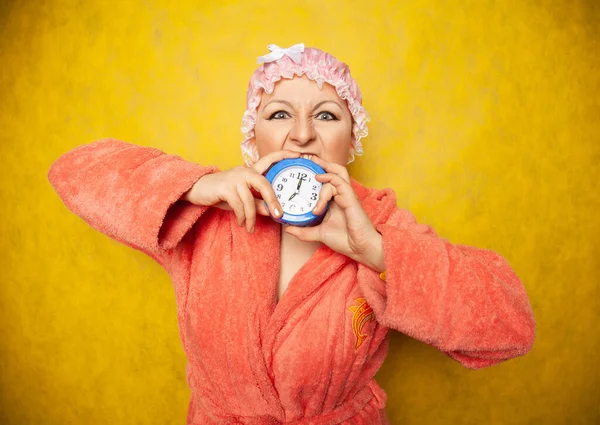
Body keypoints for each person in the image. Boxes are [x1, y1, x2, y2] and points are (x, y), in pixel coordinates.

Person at [47, 43, 536, 425]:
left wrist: (378, 251)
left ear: (352, 139)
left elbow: (510, 326)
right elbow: (73, 172)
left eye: (326, 115)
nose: (302, 134)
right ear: (252, 137)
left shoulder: (380, 226)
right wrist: (194, 185)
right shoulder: (204, 216)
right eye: (279, 114)